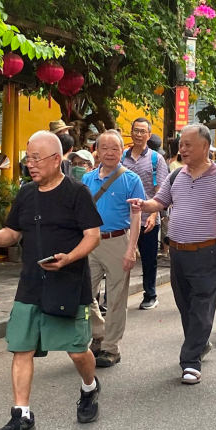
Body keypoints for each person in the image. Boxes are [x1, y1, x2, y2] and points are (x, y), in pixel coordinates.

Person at [0, 131, 103, 430]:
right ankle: (22, 415)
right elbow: (12, 233)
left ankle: (89, 387)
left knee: (77, 351)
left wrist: (68, 258)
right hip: (30, 283)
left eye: (36, 158)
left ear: (56, 159)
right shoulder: (27, 193)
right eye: (28, 158)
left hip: (68, 282)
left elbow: (93, 236)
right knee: (22, 347)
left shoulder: (77, 193)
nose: (30, 164)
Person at [128, 123, 216, 385]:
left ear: (205, 146)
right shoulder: (176, 175)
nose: (183, 149)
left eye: (189, 144)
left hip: (209, 252)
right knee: (186, 306)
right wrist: (144, 204)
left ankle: (190, 362)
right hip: (178, 253)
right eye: (181, 144)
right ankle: (199, 344)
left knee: (201, 305)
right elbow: (160, 202)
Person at [83, 130, 144, 366]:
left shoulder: (131, 180)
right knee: (83, 294)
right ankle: (99, 333)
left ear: (122, 151)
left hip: (118, 240)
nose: (109, 153)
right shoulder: (87, 179)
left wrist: (131, 249)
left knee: (117, 298)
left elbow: (136, 216)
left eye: (115, 148)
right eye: (104, 148)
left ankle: (110, 348)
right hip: (90, 241)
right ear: (96, 151)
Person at [122, 117, 168, 310]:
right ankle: (114, 297)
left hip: (147, 218)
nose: (139, 134)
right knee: (120, 259)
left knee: (149, 260)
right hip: (124, 220)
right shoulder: (122, 157)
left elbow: (161, 190)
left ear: (149, 135)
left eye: (143, 131)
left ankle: (150, 294)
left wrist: (153, 214)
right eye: (136, 130)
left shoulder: (156, 159)